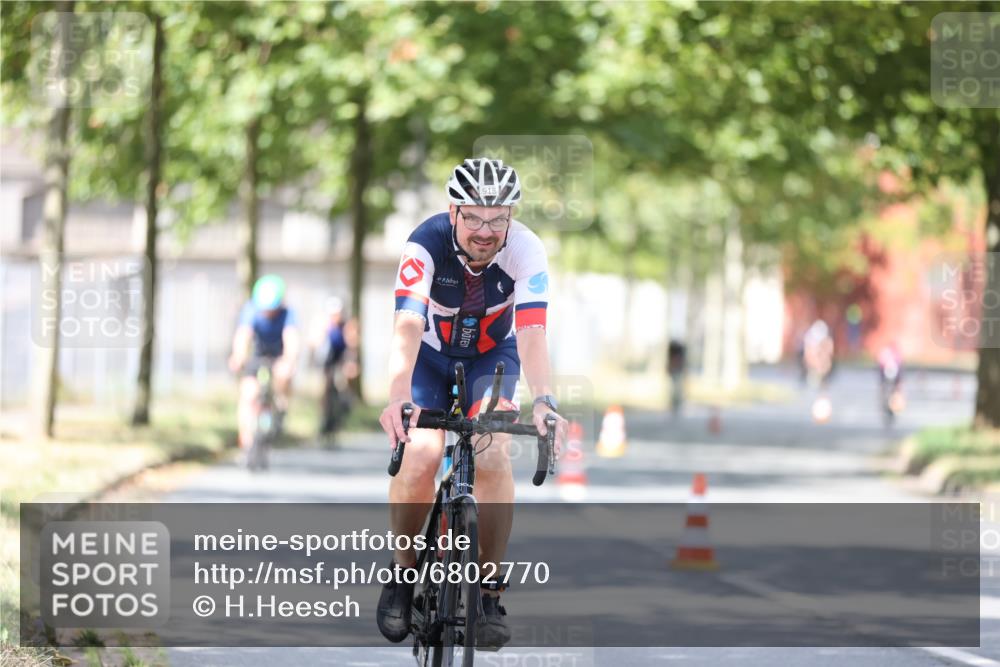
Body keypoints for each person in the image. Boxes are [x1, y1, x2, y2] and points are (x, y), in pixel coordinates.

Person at [376, 157, 568, 650]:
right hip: (430, 359)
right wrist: (398, 395)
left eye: (498, 219)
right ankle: (401, 574)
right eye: (475, 218)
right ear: (454, 211)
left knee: (493, 452)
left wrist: (543, 399)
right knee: (419, 455)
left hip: (492, 360)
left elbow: (531, 331)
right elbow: (407, 326)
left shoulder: (526, 250)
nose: (486, 230)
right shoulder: (425, 243)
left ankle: (488, 592)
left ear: (511, 217)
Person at [227, 274, 300, 453]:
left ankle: (281, 407)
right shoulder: (250, 310)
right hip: (257, 357)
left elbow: (291, 339)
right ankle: (246, 437)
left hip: (278, 357)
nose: (268, 313)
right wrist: (238, 356)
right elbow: (243, 335)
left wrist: (290, 360)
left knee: (283, 376)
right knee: (248, 393)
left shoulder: (287, 314)